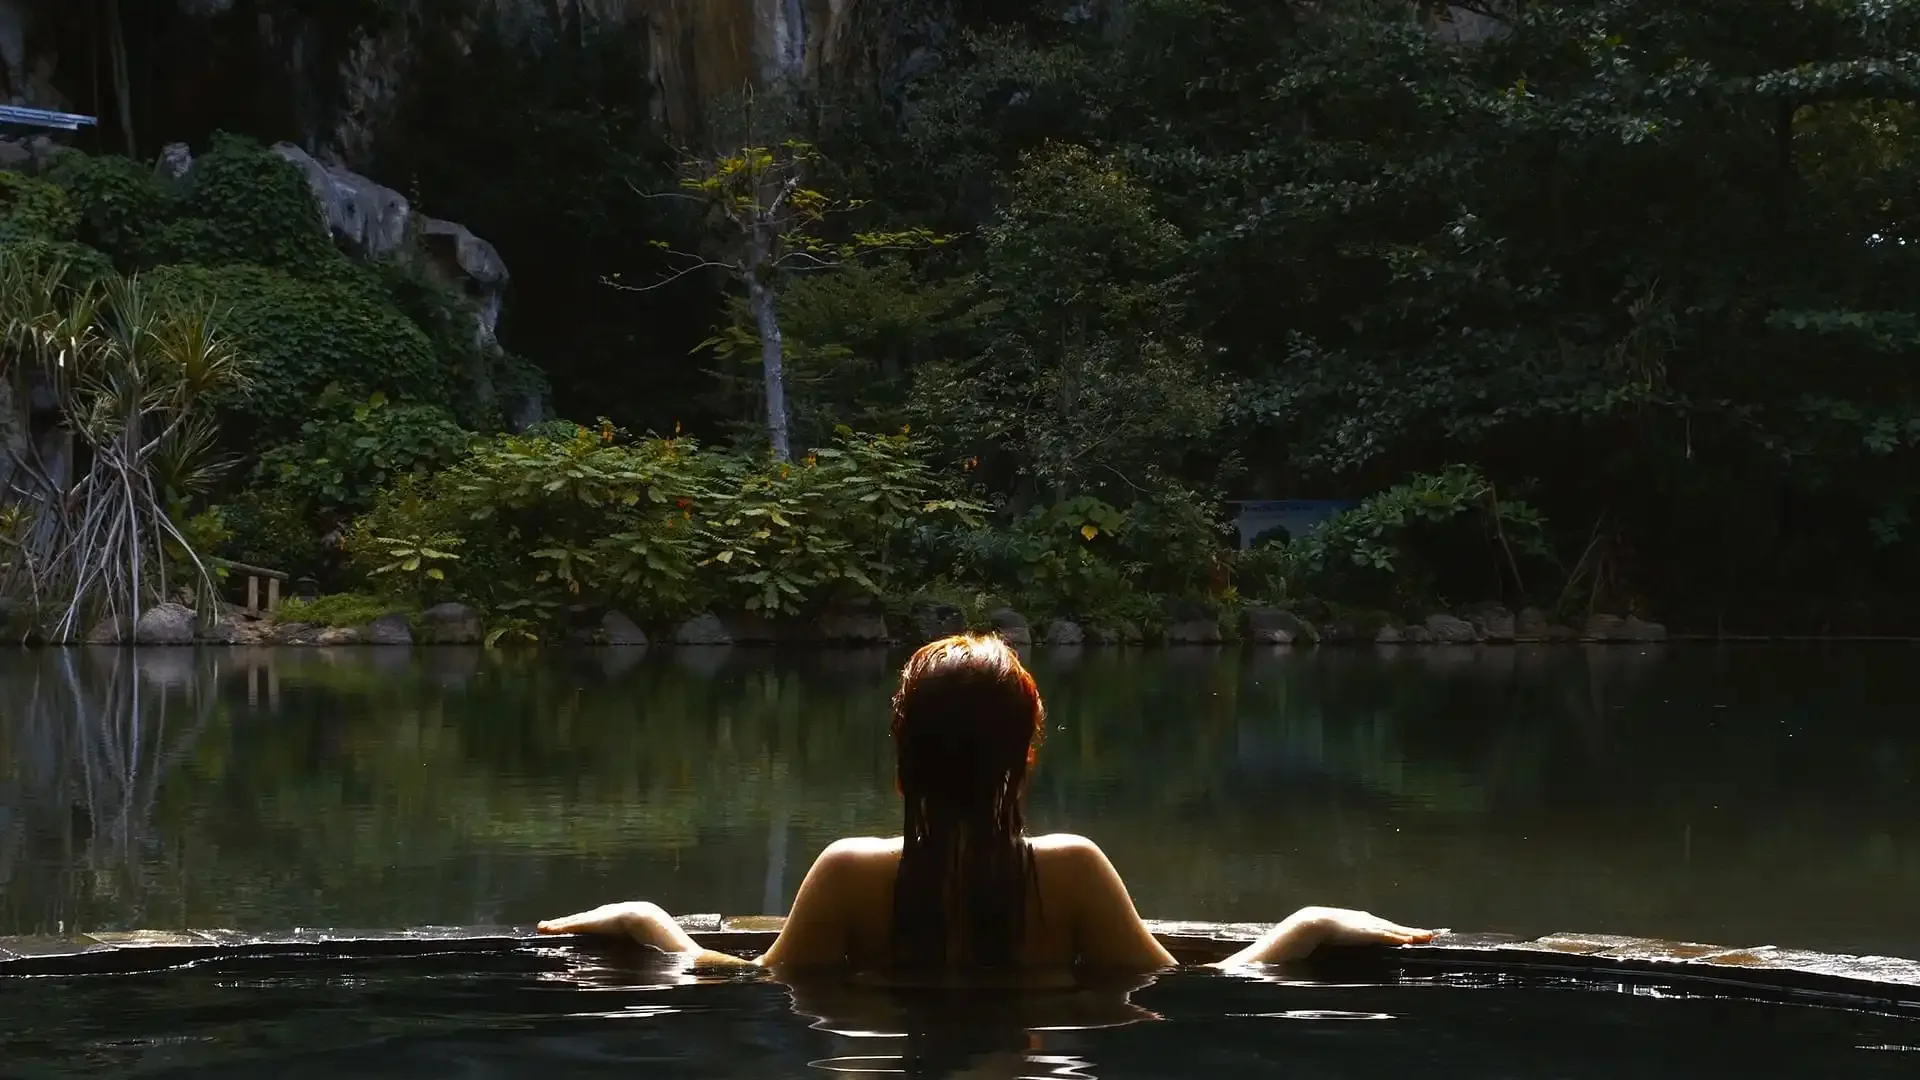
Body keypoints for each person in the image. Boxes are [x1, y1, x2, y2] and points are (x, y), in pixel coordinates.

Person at [539, 634, 1434, 971]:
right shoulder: (1072, 870)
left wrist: (648, 919)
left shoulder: (847, 874)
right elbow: (1195, 987)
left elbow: (740, 980)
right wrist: (1309, 922)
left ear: (904, 758)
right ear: (1023, 758)